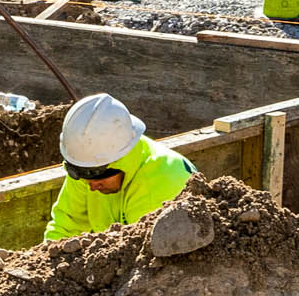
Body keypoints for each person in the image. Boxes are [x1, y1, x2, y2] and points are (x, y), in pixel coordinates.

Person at [45, 93, 194, 242]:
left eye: (97, 175)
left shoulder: (157, 185)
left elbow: (140, 250)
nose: (91, 185)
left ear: (121, 161)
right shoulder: (87, 163)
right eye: (80, 173)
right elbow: (65, 226)